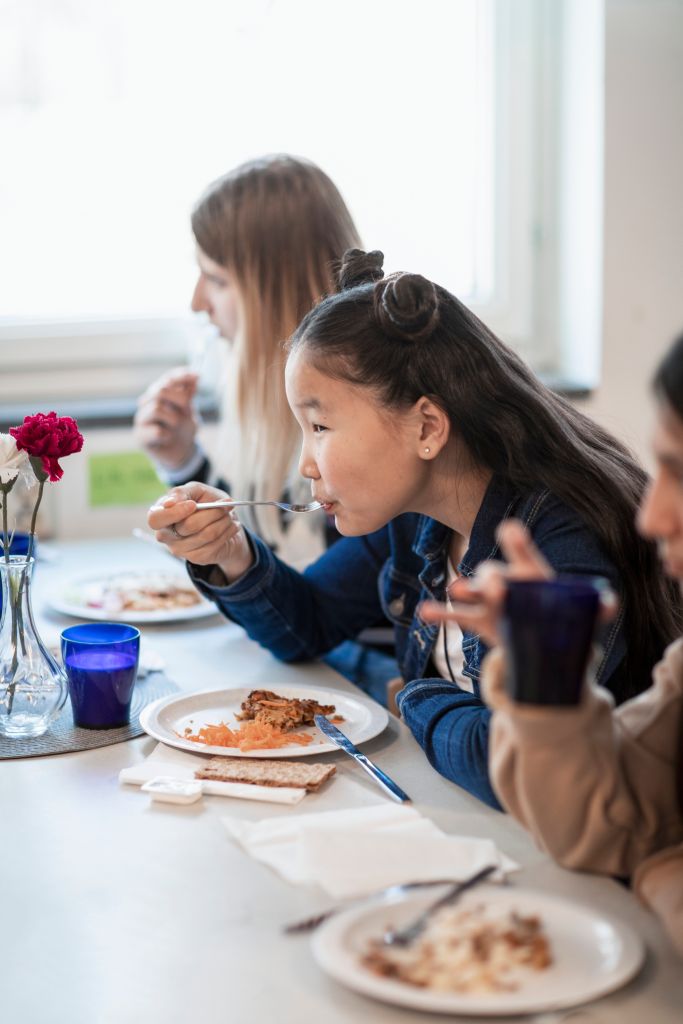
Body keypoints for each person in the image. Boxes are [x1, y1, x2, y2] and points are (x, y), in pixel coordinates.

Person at [147, 248, 681, 808]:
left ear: (427, 426)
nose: (306, 463)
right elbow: (307, 624)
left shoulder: (560, 542)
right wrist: (232, 551)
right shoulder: (414, 513)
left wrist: (417, 698)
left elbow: (519, 769)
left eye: (321, 426)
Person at [423, 332, 683, 954]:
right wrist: (545, 670)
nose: (652, 517)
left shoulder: (564, 527)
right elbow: (597, 829)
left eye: (680, 473)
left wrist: (661, 873)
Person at [135, 156, 397, 696]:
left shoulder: (365, 416)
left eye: (216, 278)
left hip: (371, 681)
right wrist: (186, 464)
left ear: (271, 287)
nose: (197, 301)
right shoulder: (306, 410)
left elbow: (314, 603)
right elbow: (282, 537)